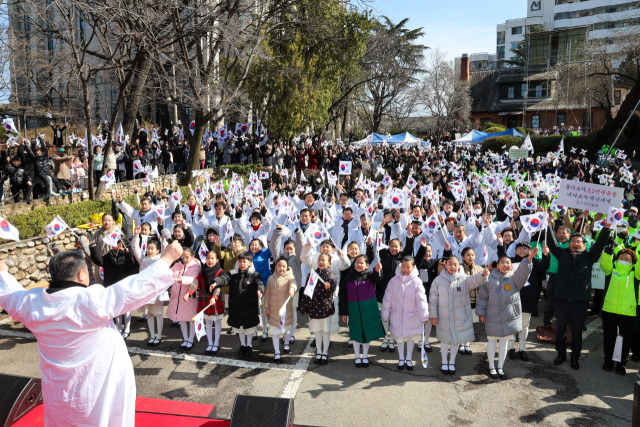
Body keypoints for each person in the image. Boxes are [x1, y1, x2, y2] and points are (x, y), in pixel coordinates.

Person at [0, 241, 184, 427]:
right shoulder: (88, 302)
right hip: (97, 398)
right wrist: (167, 258)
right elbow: (132, 289)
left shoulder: (32, 304)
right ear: (82, 275)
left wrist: (2, 273)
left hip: (58, 398)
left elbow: (9, 296)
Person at [546, 216, 611, 370]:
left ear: (584, 244)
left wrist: (606, 228)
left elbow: (600, 244)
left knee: (576, 331)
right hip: (561, 299)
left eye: (578, 241)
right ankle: (560, 354)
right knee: (560, 329)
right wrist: (548, 225)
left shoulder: (589, 256)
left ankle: (575, 357)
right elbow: (551, 242)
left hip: (579, 301)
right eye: (573, 241)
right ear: (569, 243)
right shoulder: (562, 254)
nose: (575, 243)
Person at [477, 250, 535, 380]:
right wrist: (481, 313)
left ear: (511, 266)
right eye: (502, 262)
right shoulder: (488, 280)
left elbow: (523, 272)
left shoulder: (515, 279)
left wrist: (529, 258)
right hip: (492, 317)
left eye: (508, 263)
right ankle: (492, 367)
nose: (505, 265)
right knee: (491, 342)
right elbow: (482, 298)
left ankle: (500, 368)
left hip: (509, 318)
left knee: (504, 344)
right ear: (497, 266)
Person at [429, 255, 489, 375]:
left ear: (459, 265)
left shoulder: (464, 279)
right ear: (445, 265)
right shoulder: (438, 280)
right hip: (443, 316)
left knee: (456, 340)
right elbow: (433, 300)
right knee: (445, 340)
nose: (453, 267)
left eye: (455, 264)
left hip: (459, 317)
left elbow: (476, 280)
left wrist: (483, 274)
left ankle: (452, 361)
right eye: (450, 264)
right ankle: (444, 361)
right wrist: (433, 316)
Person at [381, 256, 429, 371]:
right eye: (403, 266)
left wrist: (424, 316)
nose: (405, 269)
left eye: (408, 267)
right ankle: (401, 358)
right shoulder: (393, 281)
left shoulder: (416, 281)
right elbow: (387, 298)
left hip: (411, 316)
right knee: (399, 338)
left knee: (411, 337)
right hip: (397, 316)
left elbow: (422, 300)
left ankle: (409, 358)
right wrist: (385, 313)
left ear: (413, 267)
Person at [213, 251, 265, 356]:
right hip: (235, 306)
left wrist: (260, 290)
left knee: (249, 328)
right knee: (239, 327)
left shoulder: (254, 275)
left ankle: (249, 345)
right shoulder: (233, 273)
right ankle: (242, 345)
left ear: (250, 263)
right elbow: (224, 278)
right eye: (240, 261)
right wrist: (216, 282)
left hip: (249, 307)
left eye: (244, 262)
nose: (242, 264)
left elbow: (260, 283)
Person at [600, 247, 640, 375]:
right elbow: (605, 264)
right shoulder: (611, 270)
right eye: (621, 257)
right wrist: (607, 252)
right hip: (609, 309)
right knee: (609, 337)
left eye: (627, 258)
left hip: (628, 312)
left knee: (625, 339)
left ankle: (621, 364)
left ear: (633, 261)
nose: (624, 259)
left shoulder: (635, 273)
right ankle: (608, 361)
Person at [339, 254, 384, 368]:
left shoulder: (369, 276)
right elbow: (343, 296)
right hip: (354, 311)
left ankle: (365, 355)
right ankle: (357, 356)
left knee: (367, 333)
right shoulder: (348, 278)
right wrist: (343, 312)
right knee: (355, 333)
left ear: (367, 265)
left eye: (361, 263)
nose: (359, 265)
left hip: (368, 310)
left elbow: (377, 278)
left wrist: (377, 270)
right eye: (357, 262)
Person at [131, 227, 168, 347]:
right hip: (146, 292)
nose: (150, 251)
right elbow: (135, 248)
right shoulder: (143, 260)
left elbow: (165, 250)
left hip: (156, 291)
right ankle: (152, 336)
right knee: (150, 314)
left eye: (152, 249)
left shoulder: (160, 260)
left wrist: (163, 241)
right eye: (148, 248)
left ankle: (159, 336)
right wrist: (136, 236)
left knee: (158, 314)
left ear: (157, 250)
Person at [299, 253, 338, 365]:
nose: (321, 262)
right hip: (314, 308)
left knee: (325, 331)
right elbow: (307, 293)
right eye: (319, 260)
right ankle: (319, 353)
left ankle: (325, 353)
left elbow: (332, 280)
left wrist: (329, 284)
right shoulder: (313, 274)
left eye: (323, 260)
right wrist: (305, 307)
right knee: (317, 331)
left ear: (329, 263)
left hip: (325, 308)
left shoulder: (331, 274)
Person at [167, 248, 201, 352]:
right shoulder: (178, 264)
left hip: (188, 296)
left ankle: (191, 340)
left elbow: (193, 279)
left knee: (190, 320)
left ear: (192, 256)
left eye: (187, 257)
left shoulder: (195, 266)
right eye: (183, 257)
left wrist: (180, 279)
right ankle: (185, 339)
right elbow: (170, 271)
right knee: (181, 319)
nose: (185, 259)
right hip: (177, 296)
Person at [264, 257, 297, 364]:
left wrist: (292, 289)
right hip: (273, 310)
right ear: (275, 266)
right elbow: (267, 294)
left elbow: (293, 283)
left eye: (283, 266)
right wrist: (266, 307)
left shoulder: (290, 276)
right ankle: (277, 352)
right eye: (279, 266)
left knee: (286, 330)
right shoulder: (270, 278)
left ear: (287, 267)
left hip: (285, 311)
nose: (281, 268)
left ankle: (286, 344)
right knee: (274, 332)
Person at [192, 250, 224, 355]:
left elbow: (218, 286)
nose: (210, 260)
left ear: (217, 260)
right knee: (208, 322)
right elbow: (196, 281)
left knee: (217, 321)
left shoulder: (219, 271)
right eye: (208, 258)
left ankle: (216, 343)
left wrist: (214, 296)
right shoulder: (202, 270)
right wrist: (189, 292)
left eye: (212, 258)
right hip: (204, 300)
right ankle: (210, 343)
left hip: (215, 300)